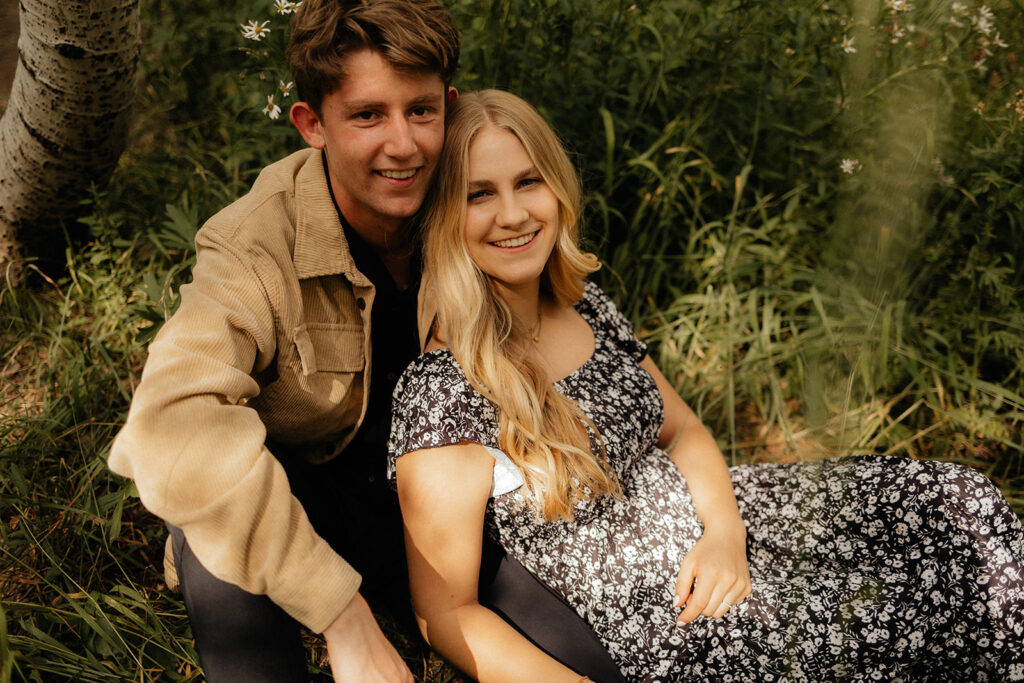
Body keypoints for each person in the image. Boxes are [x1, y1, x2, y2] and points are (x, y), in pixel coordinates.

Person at [387, 89, 1024, 682]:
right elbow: (446, 614)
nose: (513, 214)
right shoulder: (444, 393)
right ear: (446, 216)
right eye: (479, 195)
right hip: (677, 615)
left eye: (529, 182)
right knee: (910, 615)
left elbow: (684, 428)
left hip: (731, 523)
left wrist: (724, 534)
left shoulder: (583, 307)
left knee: (959, 502)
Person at [108, 4, 622, 681]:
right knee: (215, 530)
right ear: (311, 123)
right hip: (293, 503)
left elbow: (564, 312)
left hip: (438, 501)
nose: (403, 144)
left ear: (450, 105)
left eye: (421, 110)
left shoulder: (472, 197)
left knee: (596, 662)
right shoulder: (254, 243)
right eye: (367, 115)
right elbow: (167, 426)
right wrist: (341, 612)